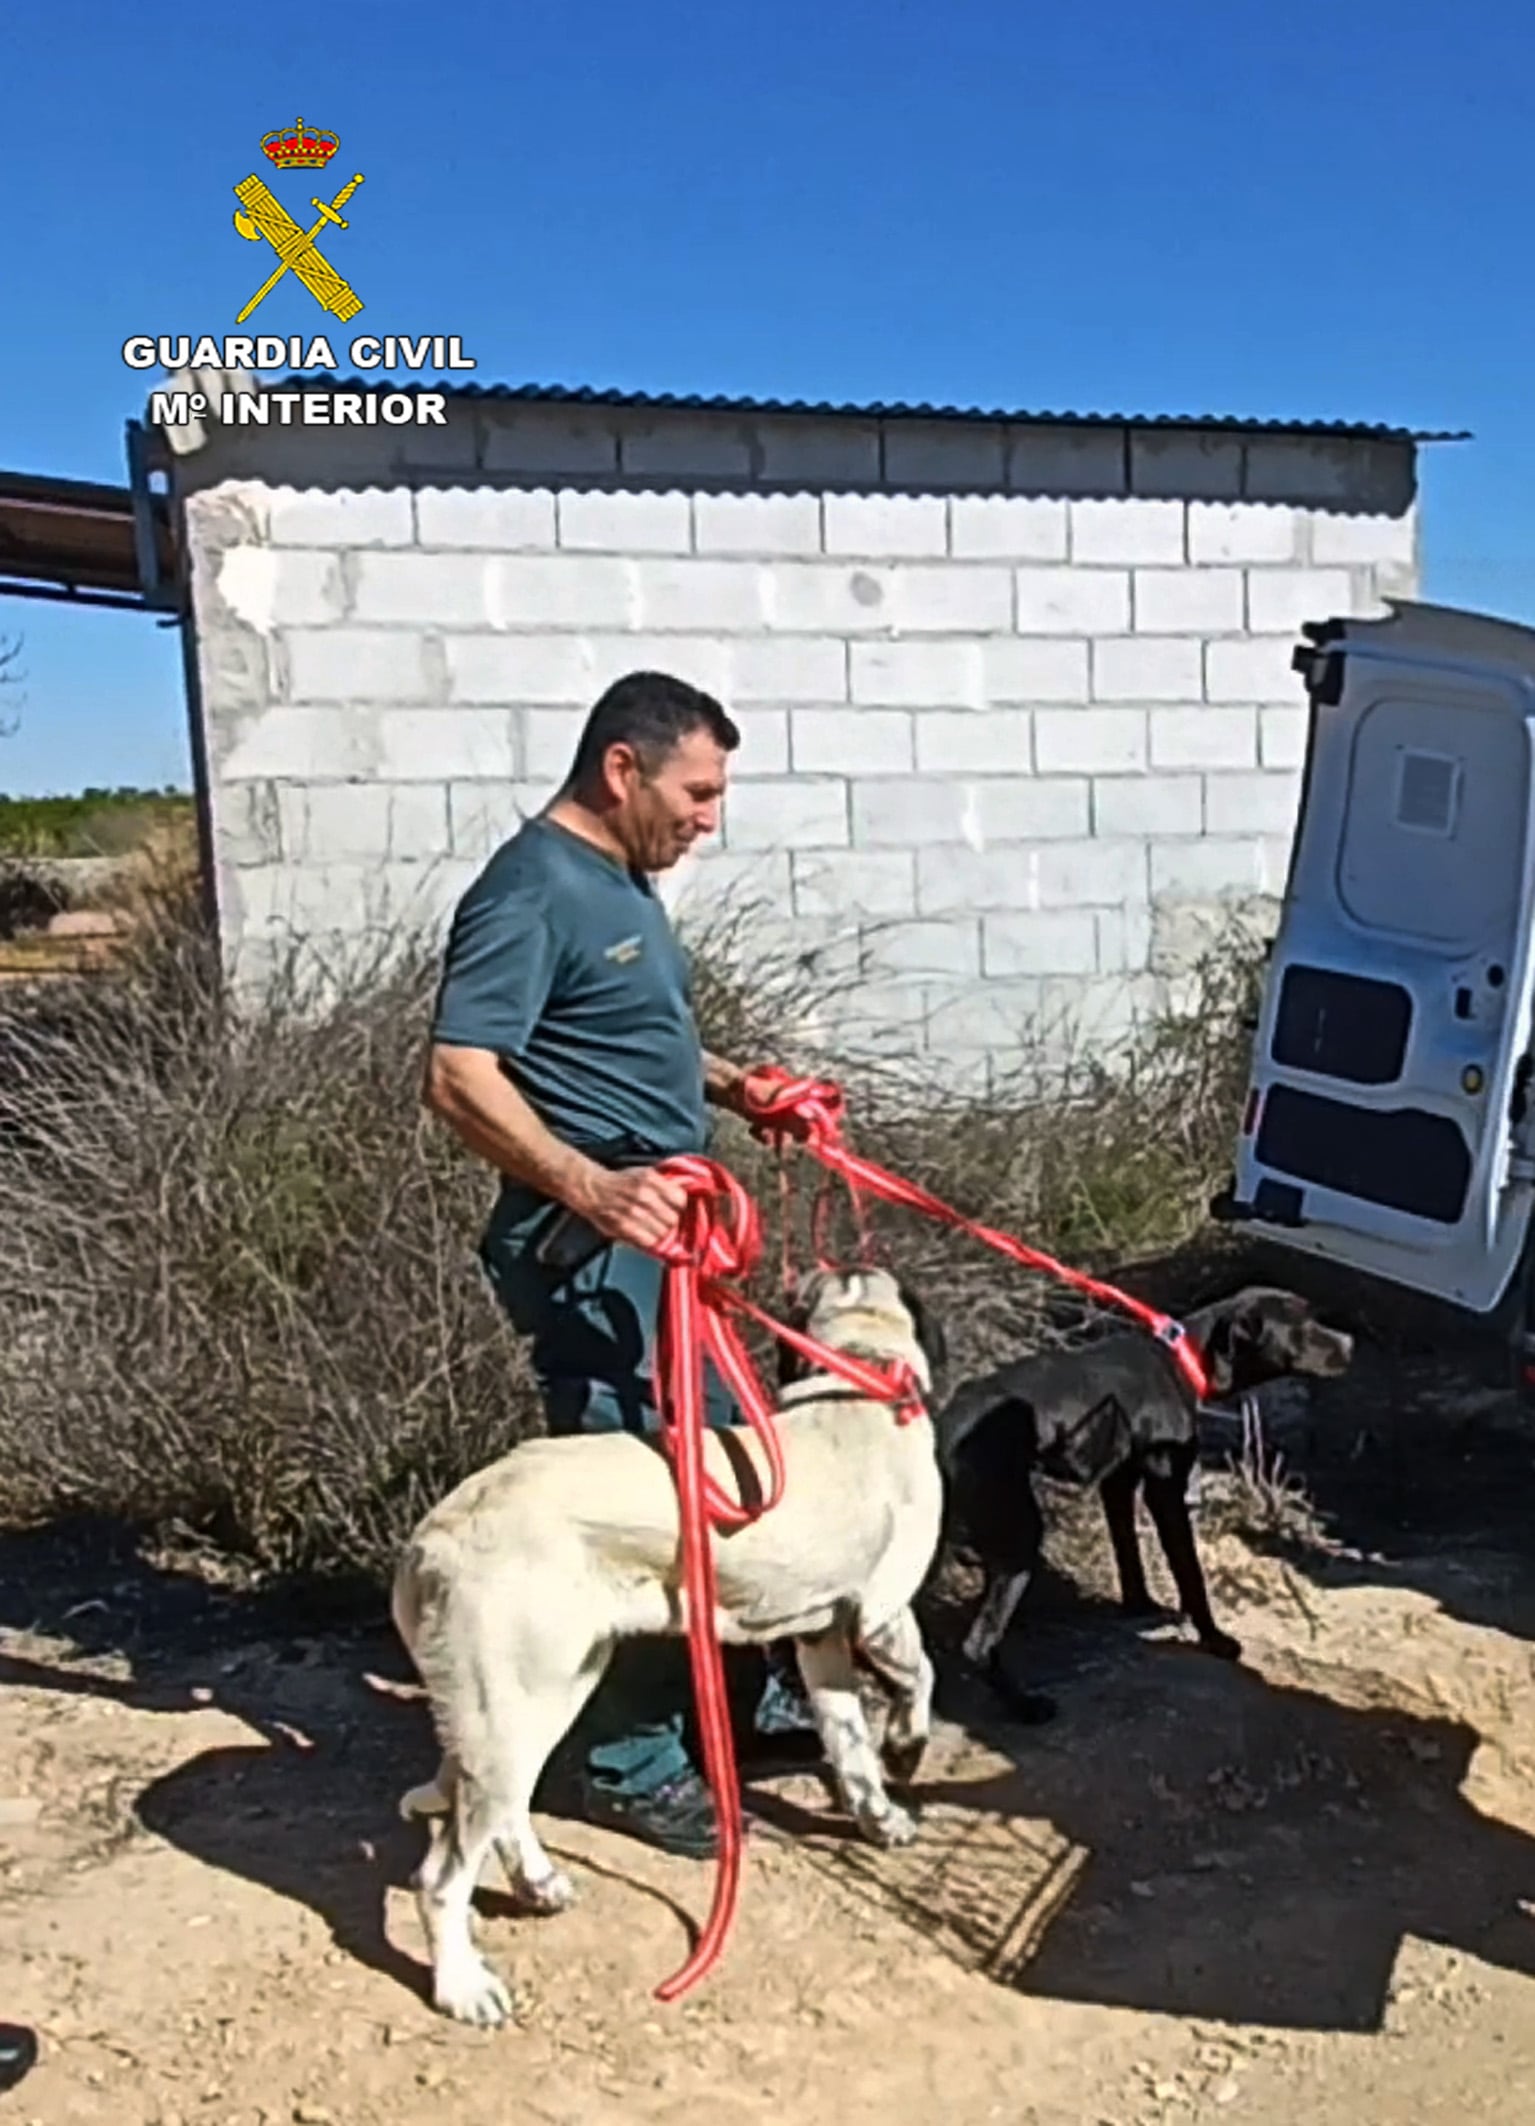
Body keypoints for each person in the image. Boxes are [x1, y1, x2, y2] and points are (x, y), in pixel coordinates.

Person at [421, 669, 814, 1860]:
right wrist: (590, 1184)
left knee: (713, 1474)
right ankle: (625, 1760)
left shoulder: (620, 886)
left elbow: (617, 1032)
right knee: (627, 1507)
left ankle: (730, 1703)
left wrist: (734, 1086)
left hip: (672, 1245)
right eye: (698, 790)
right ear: (622, 769)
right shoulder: (531, 888)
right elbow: (458, 1072)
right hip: (600, 1255)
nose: (709, 815)